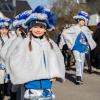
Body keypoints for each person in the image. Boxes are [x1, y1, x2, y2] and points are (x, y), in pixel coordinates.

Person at [6, 5, 65, 100]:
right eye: (35, 27)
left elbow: (57, 58)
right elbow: (15, 59)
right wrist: (21, 76)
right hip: (31, 84)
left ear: (45, 29)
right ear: (30, 28)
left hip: (47, 84)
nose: (38, 30)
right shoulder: (24, 42)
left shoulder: (50, 43)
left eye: (41, 27)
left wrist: (55, 73)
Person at [59, 11, 96, 85]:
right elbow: (64, 33)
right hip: (76, 47)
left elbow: (90, 35)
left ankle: (80, 77)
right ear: (79, 20)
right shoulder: (74, 27)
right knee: (78, 61)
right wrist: (70, 41)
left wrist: (88, 43)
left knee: (82, 62)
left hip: (83, 47)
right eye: (82, 20)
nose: (83, 22)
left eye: (84, 20)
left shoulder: (86, 29)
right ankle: (78, 77)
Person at [0, 17, 12, 99]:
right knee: (0, 78)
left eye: (6, 29)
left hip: (8, 62)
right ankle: (1, 93)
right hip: (0, 62)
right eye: (2, 29)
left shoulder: (10, 38)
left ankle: (6, 91)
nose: (4, 31)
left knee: (7, 78)